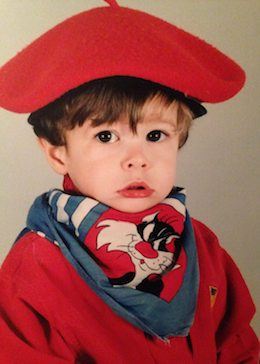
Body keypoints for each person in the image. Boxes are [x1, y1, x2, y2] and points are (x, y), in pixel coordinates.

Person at [0, 1, 258, 363]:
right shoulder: (35, 267)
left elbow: (237, 345)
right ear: (59, 154)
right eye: (106, 137)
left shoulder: (201, 241)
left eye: (156, 135)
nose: (138, 158)